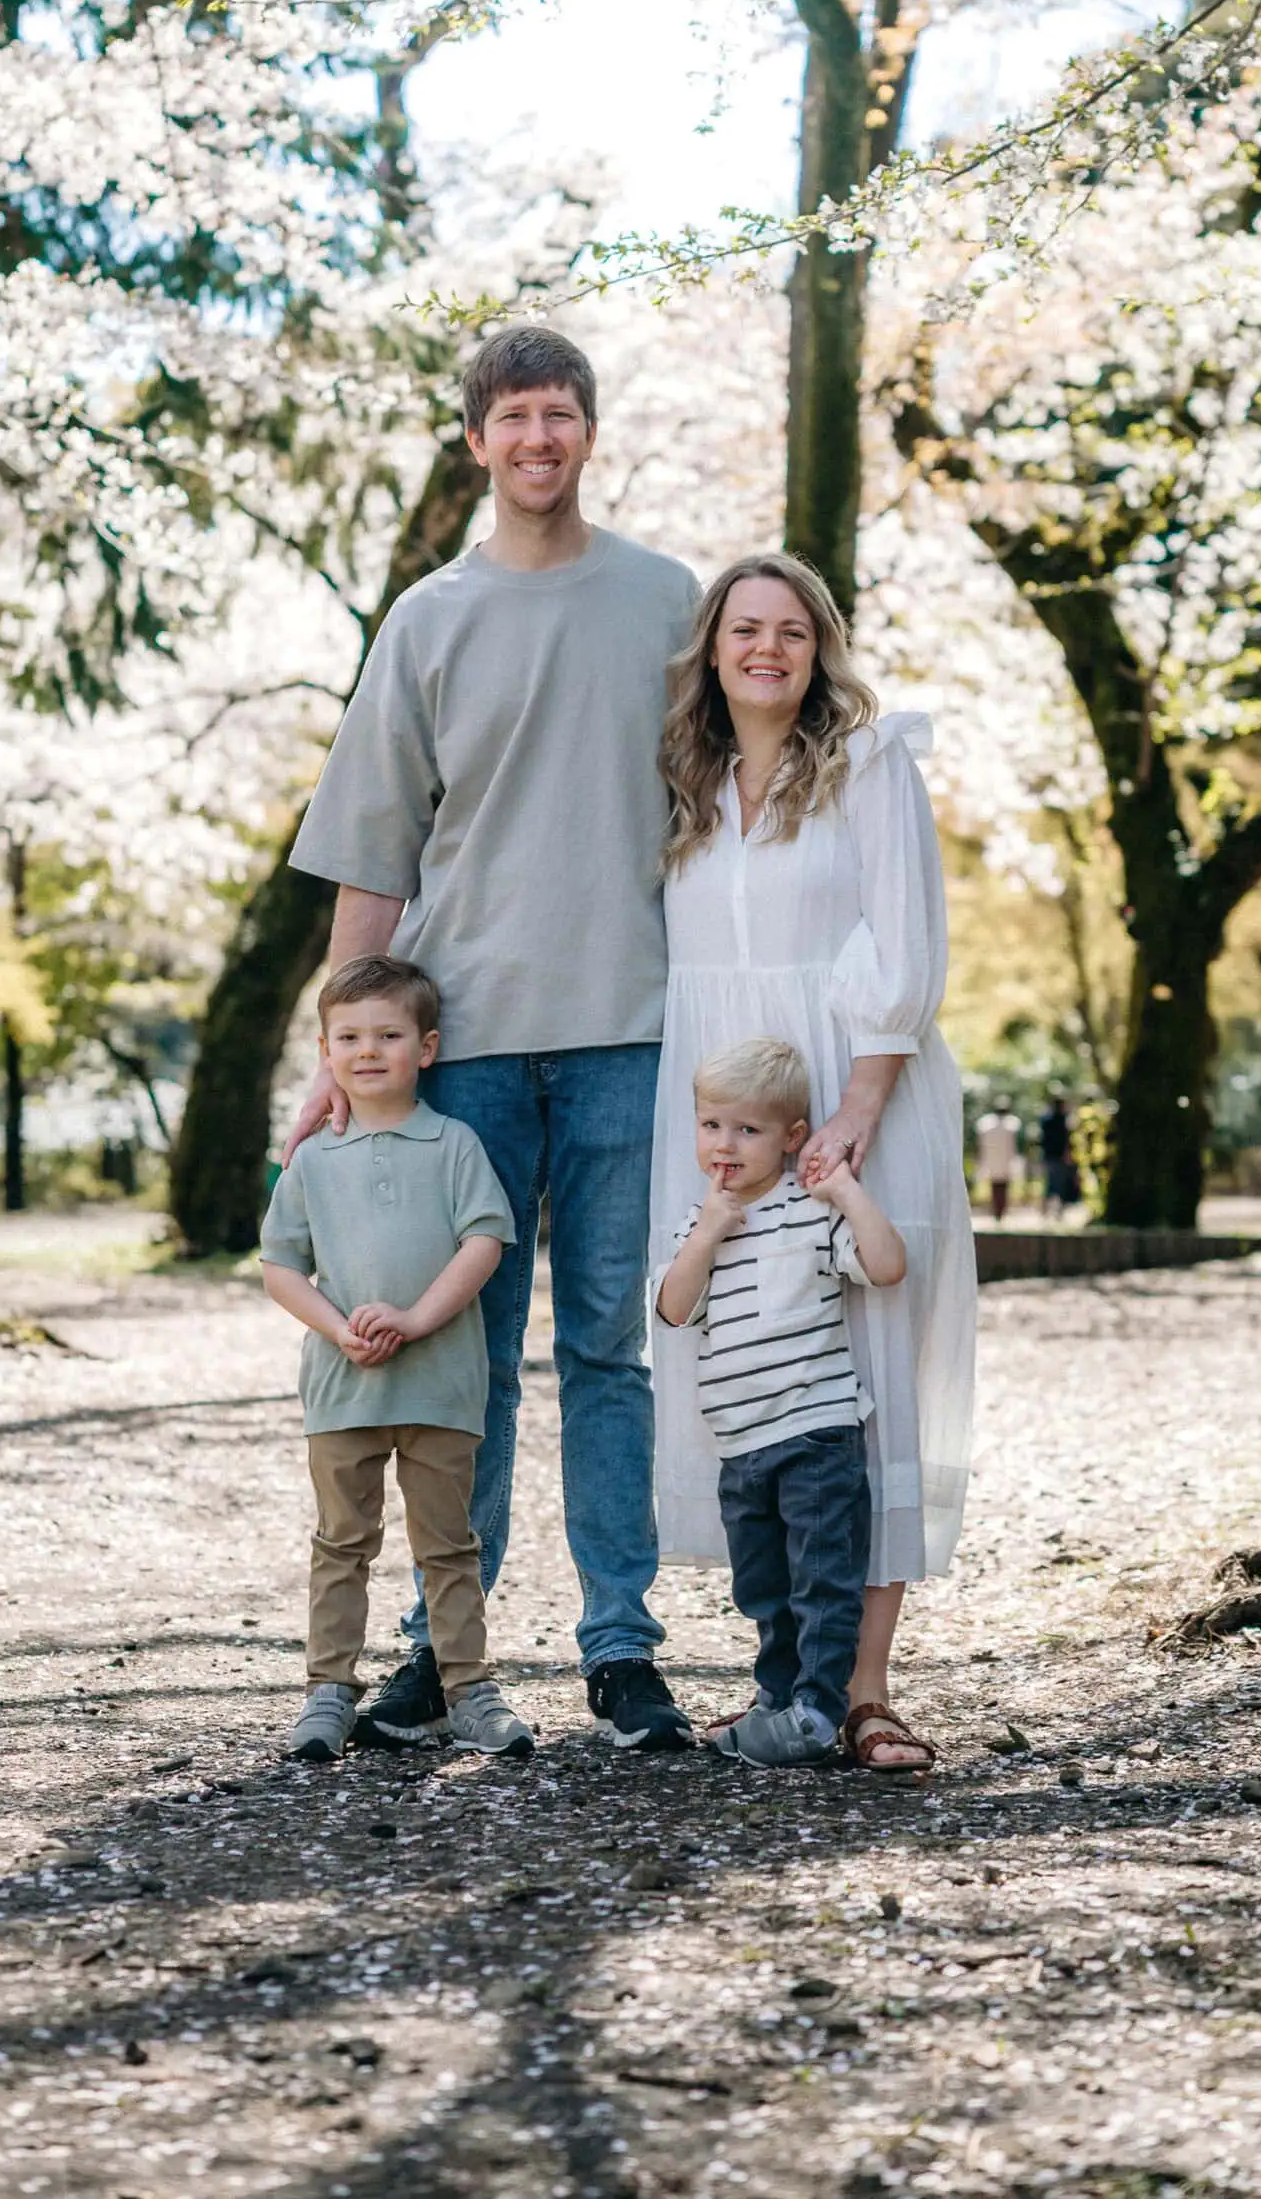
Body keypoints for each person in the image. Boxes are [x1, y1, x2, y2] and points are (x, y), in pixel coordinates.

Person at [282, 324, 703, 1753]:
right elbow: (372, 855)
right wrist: (339, 1057)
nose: (537, 439)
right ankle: (442, 1655)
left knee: (607, 1350)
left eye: (559, 414)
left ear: (588, 431)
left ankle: (621, 1646)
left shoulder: (667, 601)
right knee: (462, 1361)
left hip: (630, 1031)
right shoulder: (427, 619)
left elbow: (733, 794)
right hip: (460, 1046)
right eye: (512, 417)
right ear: (476, 441)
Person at [652, 551, 977, 1778]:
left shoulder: (870, 763)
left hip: (854, 1085)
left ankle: (868, 1691)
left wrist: (858, 1107)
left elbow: (907, 933)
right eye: (745, 628)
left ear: (821, 646)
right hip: (719, 1101)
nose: (768, 649)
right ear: (712, 647)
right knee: (755, 1368)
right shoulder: (684, 780)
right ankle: (789, 1676)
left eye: (793, 629)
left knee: (868, 1376)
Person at [259, 955, 532, 1763]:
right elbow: (280, 1266)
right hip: (342, 1386)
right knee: (341, 1542)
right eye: (348, 1037)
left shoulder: (454, 1143)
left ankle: (467, 1691)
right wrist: (337, 1328)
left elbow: (485, 1241)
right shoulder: (314, 1158)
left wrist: (413, 1320)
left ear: (427, 1047)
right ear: (325, 1051)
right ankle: (327, 1690)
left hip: (441, 1383)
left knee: (447, 1546)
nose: (368, 1050)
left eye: (388, 1035)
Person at [656, 1038, 907, 1766]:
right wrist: (707, 1233)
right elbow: (674, 1310)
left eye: (748, 1129)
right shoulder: (699, 1223)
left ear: (791, 1137)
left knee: (822, 1582)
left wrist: (845, 1192)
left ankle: (818, 1713)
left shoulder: (808, 1212)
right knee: (764, 1587)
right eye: (711, 1125)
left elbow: (888, 1266)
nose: (724, 1144)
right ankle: (777, 1699)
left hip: (816, 1433)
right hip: (741, 1445)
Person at [975, 1100, 1022, 1221]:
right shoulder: (1010, 1125)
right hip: (1003, 1159)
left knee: (997, 1186)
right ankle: (999, 1210)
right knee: (1001, 1187)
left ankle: (998, 1211)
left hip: (993, 1159)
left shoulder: (986, 1125)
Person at [1038, 1089, 1078, 1216]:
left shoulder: (1046, 1120)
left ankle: (1046, 1210)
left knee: (1050, 1184)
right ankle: (1056, 1211)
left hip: (1050, 1155)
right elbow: (1067, 1140)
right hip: (1059, 1156)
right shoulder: (1063, 1120)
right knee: (1059, 1184)